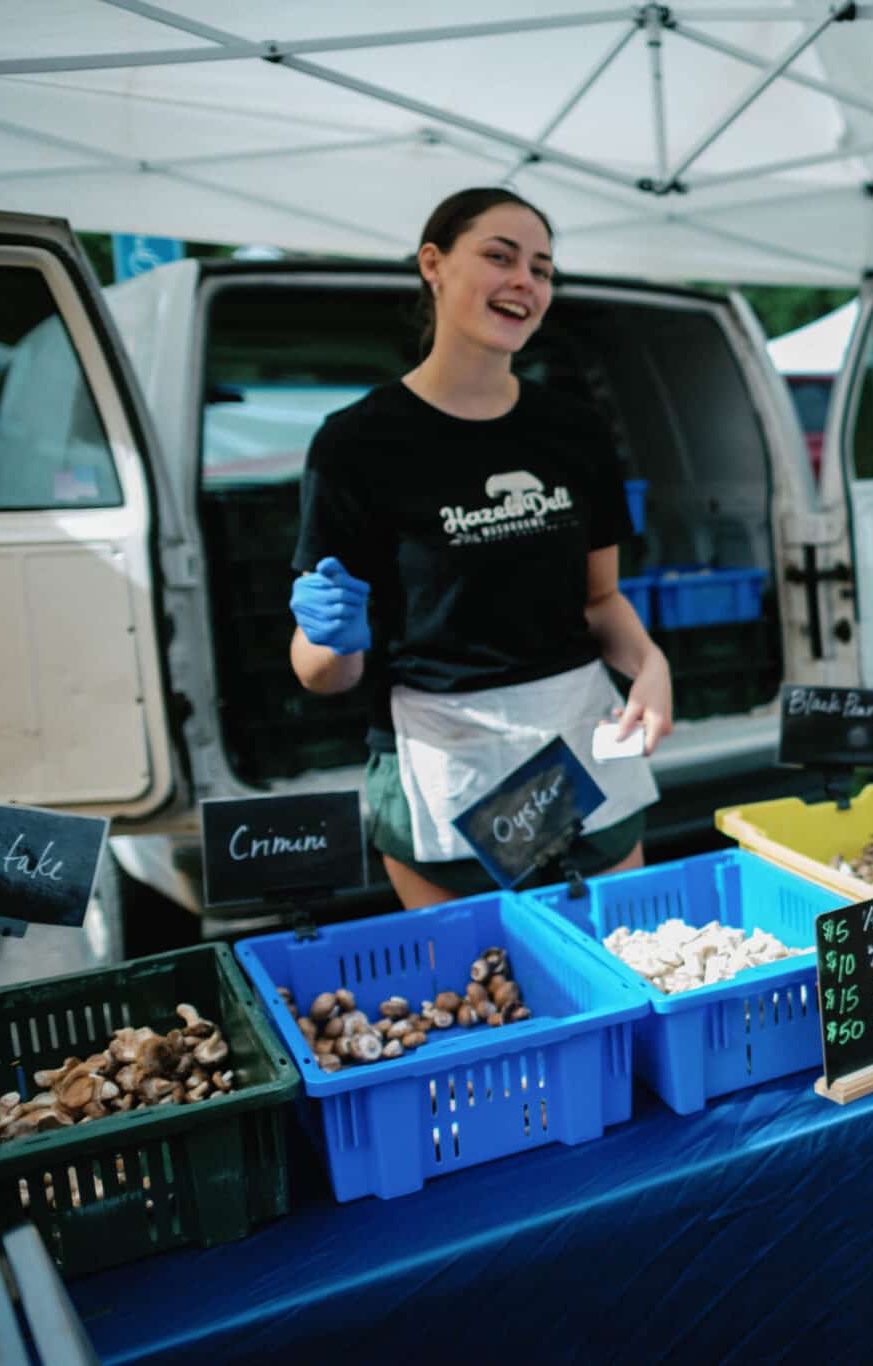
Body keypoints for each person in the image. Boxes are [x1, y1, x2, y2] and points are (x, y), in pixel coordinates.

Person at [289, 187, 671, 908]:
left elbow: (601, 599)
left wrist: (650, 663)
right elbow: (322, 675)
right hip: (446, 757)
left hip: (578, 747)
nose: (526, 281)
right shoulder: (354, 444)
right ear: (433, 264)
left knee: (626, 968)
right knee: (488, 998)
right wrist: (328, 640)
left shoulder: (573, 428)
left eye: (543, 268)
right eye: (501, 257)